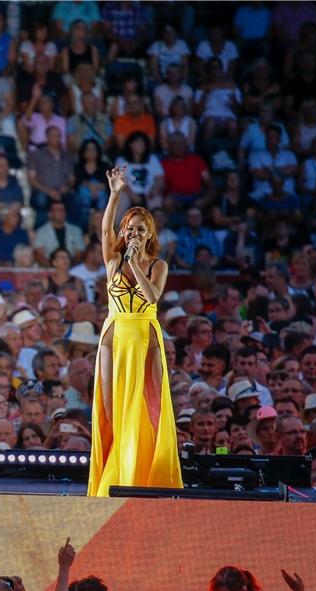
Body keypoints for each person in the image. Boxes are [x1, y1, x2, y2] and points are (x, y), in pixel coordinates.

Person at [88, 166, 182, 496]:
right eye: (129, 228)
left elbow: (153, 296)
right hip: (115, 337)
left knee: (152, 406)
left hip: (146, 337)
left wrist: (134, 266)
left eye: (140, 229)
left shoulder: (158, 266)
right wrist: (114, 194)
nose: (132, 233)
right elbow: (103, 232)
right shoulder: (113, 263)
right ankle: (115, 474)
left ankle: (153, 475)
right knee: (112, 411)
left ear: (149, 234)